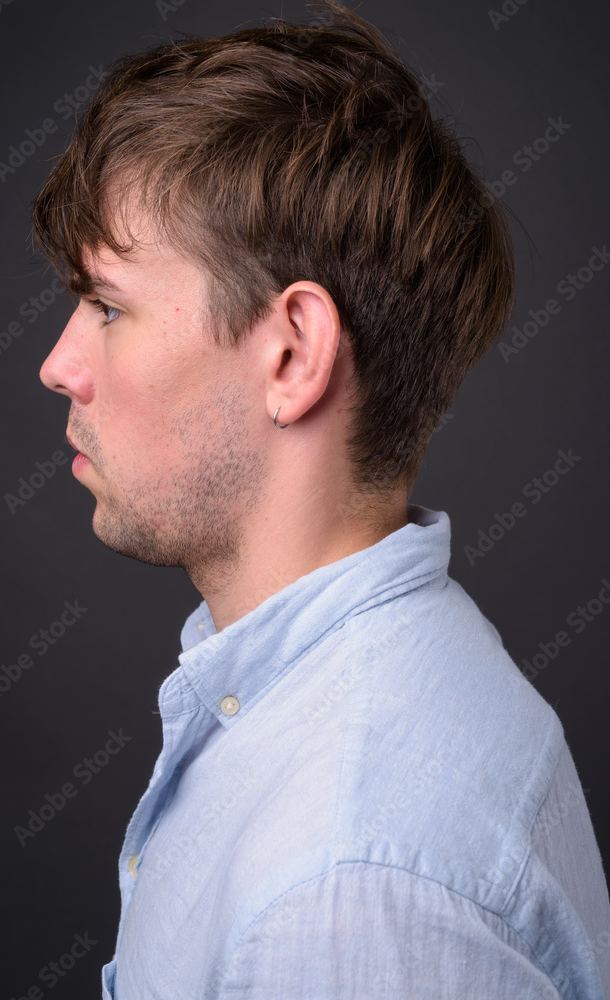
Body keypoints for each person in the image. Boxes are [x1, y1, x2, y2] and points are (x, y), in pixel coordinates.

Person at [33, 1, 610, 996]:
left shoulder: (345, 894)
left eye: (108, 305)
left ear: (292, 354)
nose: (57, 365)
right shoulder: (352, 701)